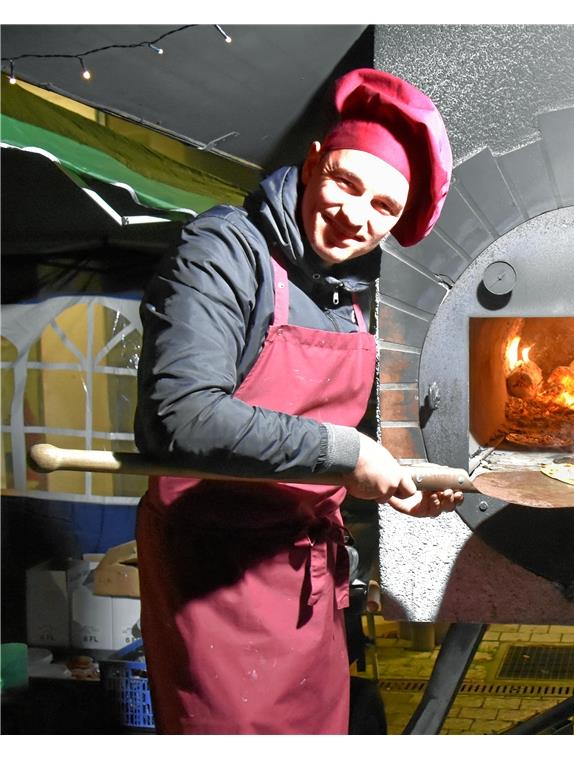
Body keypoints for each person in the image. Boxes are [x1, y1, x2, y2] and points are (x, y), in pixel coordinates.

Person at [133, 69, 461, 734]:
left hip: (307, 585)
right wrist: (346, 453)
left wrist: (383, 481)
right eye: (347, 183)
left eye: (384, 209)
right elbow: (182, 416)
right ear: (313, 162)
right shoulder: (226, 250)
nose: (355, 216)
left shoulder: (348, 296)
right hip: (217, 584)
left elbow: (310, 449)